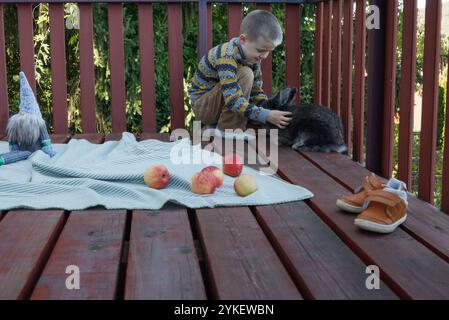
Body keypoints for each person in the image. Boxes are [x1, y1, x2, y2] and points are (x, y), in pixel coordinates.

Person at [188, 9, 292, 135]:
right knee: (245, 73)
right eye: (260, 50)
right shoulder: (226, 55)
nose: (264, 56)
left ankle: (214, 128)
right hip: (203, 107)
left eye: (268, 51)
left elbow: (256, 93)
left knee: (260, 124)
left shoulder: (253, 59)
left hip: (221, 105)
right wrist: (266, 115)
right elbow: (233, 99)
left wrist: (268, 110)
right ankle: (228, 130)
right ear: (243, 39)